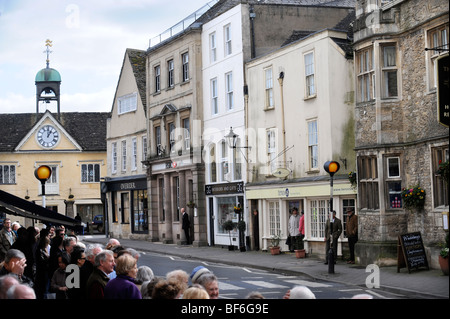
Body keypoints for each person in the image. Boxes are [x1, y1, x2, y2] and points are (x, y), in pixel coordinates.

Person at [34, 234, 51, 299]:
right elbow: (42, 261)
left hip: (43, 272)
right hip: (42, 272)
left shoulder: (43, 250)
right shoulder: (40, 250)